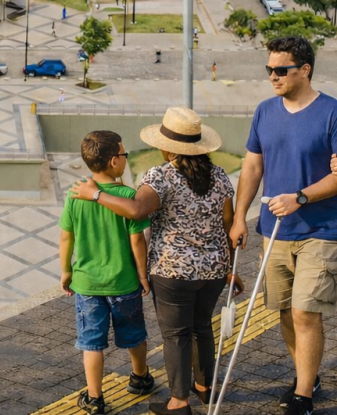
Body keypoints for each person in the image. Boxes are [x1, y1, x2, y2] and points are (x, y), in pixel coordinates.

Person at [72, 108, 242, 415]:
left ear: (167, 147)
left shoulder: (161, 177)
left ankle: (178, 402)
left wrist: (94, 194)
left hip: (173, 271)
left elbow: (136, 210)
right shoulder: (218, 175)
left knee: (176, 335)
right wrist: (230, 268)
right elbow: (227, 222)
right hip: (214, 268)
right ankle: (204, 388)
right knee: (202, 327)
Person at [231, 37, 337, 415]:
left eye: (281, 70)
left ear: (304, 70)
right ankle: (307, 374)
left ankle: (304, 395)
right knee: (284, 312)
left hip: (321, 232)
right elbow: (252, 167)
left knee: (305, 312)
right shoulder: (264, 111)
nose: (272, 76)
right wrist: (240, 217)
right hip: (274, 233)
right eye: (269, 70)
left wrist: (301, 197)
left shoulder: (331, 113)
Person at [59, 131, 153, 414]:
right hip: (124, 283)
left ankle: (95, 398)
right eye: (124, 155)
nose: (126, 159)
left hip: (87, 284)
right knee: (134, 335)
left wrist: (65, 270)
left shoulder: (76, 193)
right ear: (114, 161)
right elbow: (137, 241)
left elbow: (66, 236)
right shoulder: (127, 196)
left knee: (92, 343)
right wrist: (143, 274)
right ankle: (139, 377)